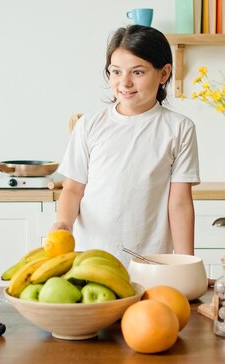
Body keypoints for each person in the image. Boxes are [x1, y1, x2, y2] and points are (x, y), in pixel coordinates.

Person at [50, 25, 200, 265]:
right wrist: (63, 225)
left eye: (138, 72)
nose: (125, 82)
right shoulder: (89, 125)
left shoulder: (179, 128)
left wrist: (187, 265)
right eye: (116, 72)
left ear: (163, 74)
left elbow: (180, 203)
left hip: (151, 260)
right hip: (90, 259)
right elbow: (73, 189)